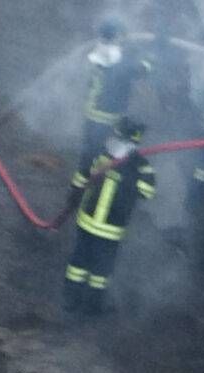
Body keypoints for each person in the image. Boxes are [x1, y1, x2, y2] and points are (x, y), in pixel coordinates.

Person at [63, 117, 156, 315]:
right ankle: (82, 306)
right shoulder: (134, 164)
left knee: (87, 265)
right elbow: (81, 177)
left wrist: (74, 194)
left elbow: (147, 191)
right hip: (103, 229)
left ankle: (77, 303)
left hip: (96, 226)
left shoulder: (135, 164)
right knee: (94, 268)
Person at [68, 18, 152, 207]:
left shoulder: (99, 52)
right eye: (122, 35)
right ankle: (98, 198)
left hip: (92, 116)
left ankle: (75, 196)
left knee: (87, 158)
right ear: (116, 36)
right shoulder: (119, 61)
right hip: (106, 120)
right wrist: (146, 55)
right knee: (109, 157)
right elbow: (144, 70)